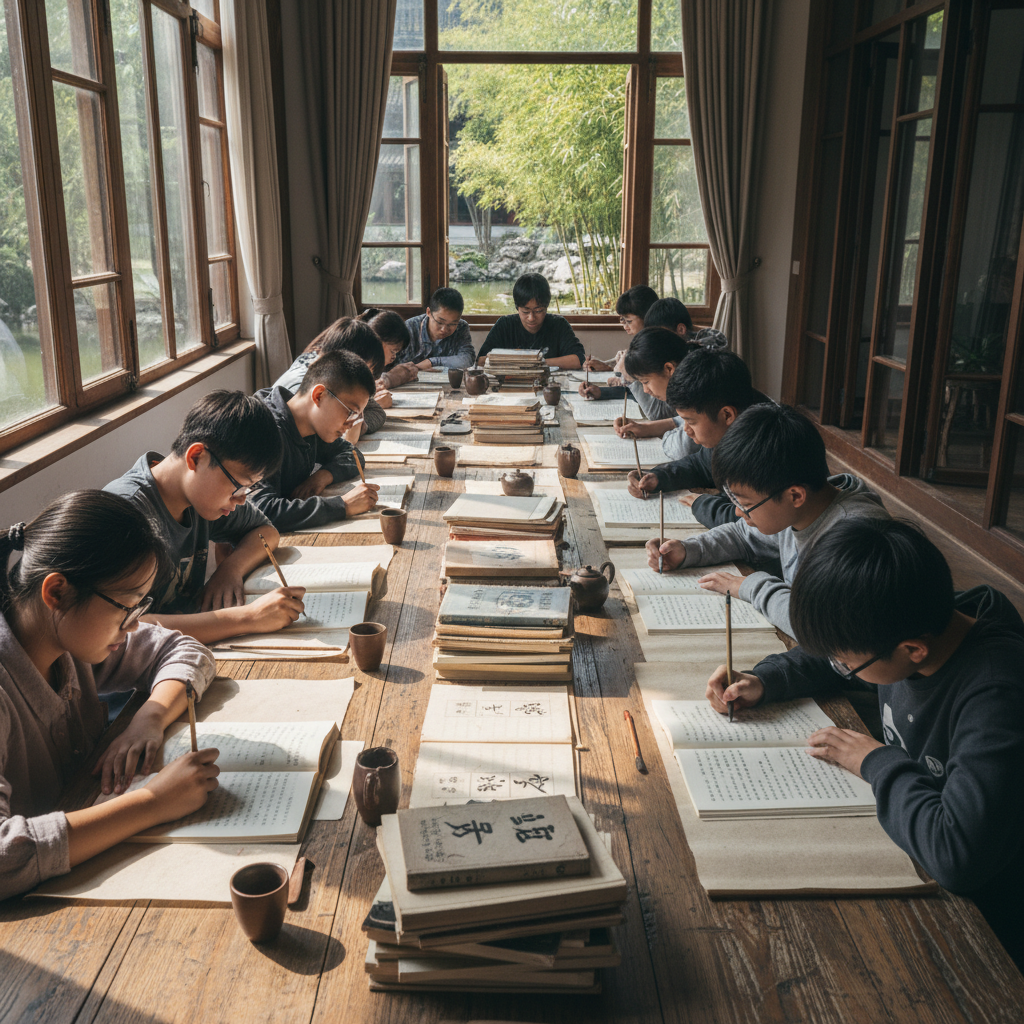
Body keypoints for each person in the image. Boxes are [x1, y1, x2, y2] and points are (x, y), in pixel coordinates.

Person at [706, 518, 1024, 970]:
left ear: (913, 650)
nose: (841, 666)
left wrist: (876, 760)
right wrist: (763, 680)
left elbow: (959, 856)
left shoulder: (997, 694)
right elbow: (831, 660)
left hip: (994, 920)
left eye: (849, 662)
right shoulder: (905, 621)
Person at [0, 491, 221, 900]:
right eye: (127, 607)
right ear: (57, 592)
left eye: (141, 607)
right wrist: (153, 803)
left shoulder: (65, 639)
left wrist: (150, 716)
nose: (135, 626)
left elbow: (185, 650)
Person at [646, 403, 889, 634]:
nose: (739, 512)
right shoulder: (800, 507)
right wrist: (689, 550)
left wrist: (751, 585)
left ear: (795, 495)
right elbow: (742, 535)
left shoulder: (856, 541)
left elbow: (819, 626)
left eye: (747, 504)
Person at [104, 390, 305, 645]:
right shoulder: (126, 515)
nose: (241, 499)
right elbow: (119, 627)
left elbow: (266, 532)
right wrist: (247, 618)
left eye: (249, 489)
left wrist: (231, 568)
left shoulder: (201, 499)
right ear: (196, 457)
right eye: (239, 485)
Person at [627, 347, 769, 529]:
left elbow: (747, 520)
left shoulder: (763, 447)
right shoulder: (731, 429)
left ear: (727, 415)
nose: (686, 430)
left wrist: (701, 504)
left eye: (690, 422)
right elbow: (700, 465)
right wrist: (658, 477)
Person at [250, 350, 379, 532]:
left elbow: (352, 454)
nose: (351, 424)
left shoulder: (312, 425)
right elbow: (262, 510)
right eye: (350, 412)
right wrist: (342, 505)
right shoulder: (265, 431)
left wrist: (323, 476)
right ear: (319, 395)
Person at [272, 317, 389, 435]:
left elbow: (377, 412)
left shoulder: (336, 381)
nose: (366, 380)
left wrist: (356, 424)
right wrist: (351, 431)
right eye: (365, 371)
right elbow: (327, 443)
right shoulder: (303, 389)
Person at [477, 273, 586, 369]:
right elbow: (481, 360)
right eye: (525, 311)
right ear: (517, 308)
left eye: (538, 311)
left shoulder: (558, 324)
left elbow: (578, 360)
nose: (531, 318)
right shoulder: (505, 325)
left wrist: (537, 362)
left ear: (546, 307)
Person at [582, 285, 659, 375]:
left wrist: (612, 370)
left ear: (647, 317)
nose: (624, 325)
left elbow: (640, 384)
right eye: (622, 319)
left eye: (629, 321)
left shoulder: (654, 347)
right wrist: (602, 365)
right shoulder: (640, 341)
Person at [402, 287, 476, 369]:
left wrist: (432, 362)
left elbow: (467, 359)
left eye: (452, 324)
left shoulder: (461, 327)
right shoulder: (409, 328)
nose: (444, 329)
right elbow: (392, 365)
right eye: (440, 322)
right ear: (428, 312)